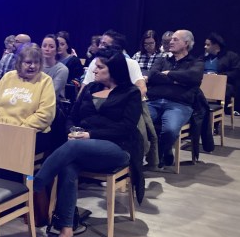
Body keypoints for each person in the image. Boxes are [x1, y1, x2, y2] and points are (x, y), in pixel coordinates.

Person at [33, 51, 144, 237]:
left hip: (117, 149)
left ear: (115, 70)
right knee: (68, 167)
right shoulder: (90, 88)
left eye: (100, 67)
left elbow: (126, 128)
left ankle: (36, 184)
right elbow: (71, 116)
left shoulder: (131, 93)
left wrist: (89, 134)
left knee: (74, 147)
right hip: (82, 147)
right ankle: (66, 231)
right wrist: (71, 131)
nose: (94, 70)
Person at [147, 30, 204, 168]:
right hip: (154, 102)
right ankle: (153, 153)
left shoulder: (196, 62)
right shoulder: (162, 60)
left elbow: (193, 77)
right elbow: (153, 75)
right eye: (171, 39)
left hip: (179, 104)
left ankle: (161, 152)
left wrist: (169, 74)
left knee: (170, 130)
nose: (170, 42)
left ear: (186, 43)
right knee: (136, 121)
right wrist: (177, 80)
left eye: (175, 39)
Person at [0, 44, 56, 153]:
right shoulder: (8, 76)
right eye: (28, 62)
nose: (32, 66)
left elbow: (46, 114)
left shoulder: (45, 81)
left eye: (36, 62)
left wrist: (18, 130)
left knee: (6, 151)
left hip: (30, 133)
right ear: (19, 62)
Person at [82, 30, 147, 97]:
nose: (99, 47)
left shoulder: (131, 63)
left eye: (104, 44)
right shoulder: (95, 62)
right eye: (100, 43)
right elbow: (83, 89)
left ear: (116, 48)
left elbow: (142, 89)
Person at [203, 32, 240, 112]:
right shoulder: (204, 58)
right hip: (204, 84)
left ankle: (215, 119)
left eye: (208, 45)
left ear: (216, 45)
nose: (205, 47)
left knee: (225, 89)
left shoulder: (231, 56)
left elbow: (235, 73)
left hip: (222, 86)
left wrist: (218, 76)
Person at [41, 34, 69, 100]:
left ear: (57, 50)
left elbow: (52, 93)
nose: (47, 49)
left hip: (52, 103)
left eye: (51, 47)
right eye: (44, 46)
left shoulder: (62, 69)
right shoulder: (36, 66)